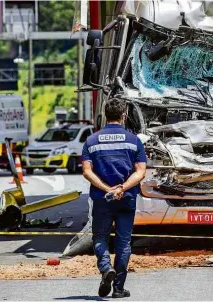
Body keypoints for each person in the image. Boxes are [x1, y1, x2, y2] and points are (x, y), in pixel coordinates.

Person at [81, 99, 147, 298]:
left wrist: (107, 189)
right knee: (123, 242)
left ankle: (105, 268)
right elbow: (141, 172)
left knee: (100, 237)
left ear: (105, 115)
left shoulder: (91, 141)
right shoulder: (134, 141)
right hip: (126, 198)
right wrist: (122, 188)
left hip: (102, 199)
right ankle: (118, 288)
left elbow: (86, 171)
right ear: (124, 116)